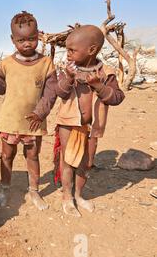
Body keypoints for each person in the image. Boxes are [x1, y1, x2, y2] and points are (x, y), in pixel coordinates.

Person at [27, 25, 125, 217]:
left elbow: (117, 98)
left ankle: (79, 195)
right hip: (68, 123)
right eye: (67, 50)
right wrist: (69, 78)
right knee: (68, 160)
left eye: (72, 50)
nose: (68, 55)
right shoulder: (68, 70)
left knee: (85, 163)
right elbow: (61, 93)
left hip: (92, 127)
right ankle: (67, 198)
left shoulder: (107, 73)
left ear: (91, 50)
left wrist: (99, 86)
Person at [0, 11, 55, 211]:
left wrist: (40, 112)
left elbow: (50, 92)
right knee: (7, 156)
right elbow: (1, 87)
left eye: (31, 38)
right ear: (13, 40)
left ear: (38, 35)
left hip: (34, 121)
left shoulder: (46, 63)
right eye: (21, 40)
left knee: (33, 156)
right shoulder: (6, 64)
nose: (27, 43)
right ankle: (5, 189)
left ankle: (34, 191)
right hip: (10, 120)